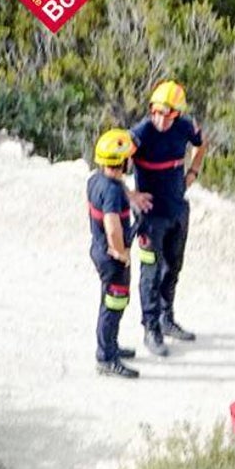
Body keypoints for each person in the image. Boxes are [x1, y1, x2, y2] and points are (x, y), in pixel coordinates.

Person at [131, 80, 207, 357]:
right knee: (150, 273)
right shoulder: (142, 132)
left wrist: (193, 172)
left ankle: (166, 317)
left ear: (177, 113)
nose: (162, 119)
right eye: (158, 112)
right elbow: (110, 162)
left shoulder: (184, 126)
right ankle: (151, 327)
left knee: (173, 266)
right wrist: (131, 195)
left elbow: (201, 143)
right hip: (151, 216)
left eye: (168, 113)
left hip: (177, 208)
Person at [87, 128, 141, 378]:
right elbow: (112, 226)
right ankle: (106, 357)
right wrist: (121, 252)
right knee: (114, 304)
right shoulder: (112, 191)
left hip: (99, 251)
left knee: (110, 302)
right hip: (112, 258)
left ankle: (110, 345)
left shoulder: (97, 181)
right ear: (121, 161)